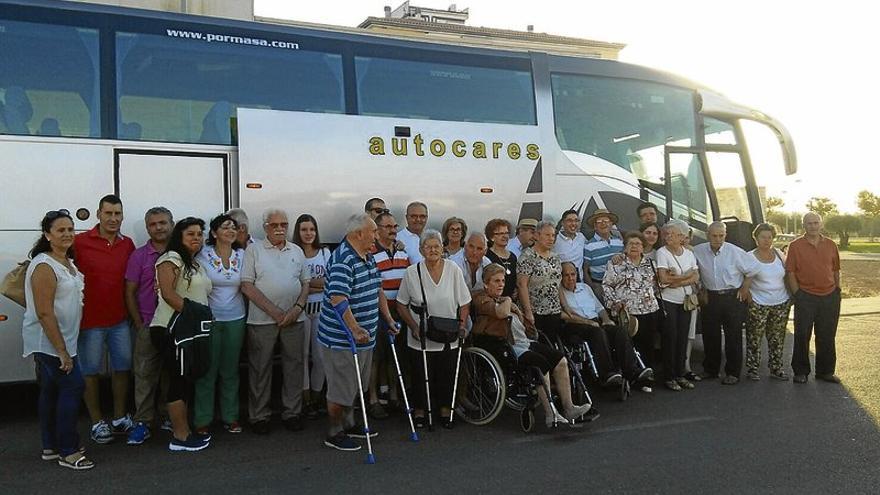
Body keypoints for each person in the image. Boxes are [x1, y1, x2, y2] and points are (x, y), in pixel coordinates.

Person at [472, 264, 591, 428]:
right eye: (496, 281)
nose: (501, 284)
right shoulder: (481, 298)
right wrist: (507, 300)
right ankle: (550, 413)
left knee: (560, 360)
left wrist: (521, 315)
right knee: (540, 364)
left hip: (525, 342)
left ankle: (569, 407)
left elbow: (524, 325)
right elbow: (501, 313)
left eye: (503, 281)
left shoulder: (504, 300)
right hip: (506, 347)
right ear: (486, 283)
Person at [318, 214, 399, 451]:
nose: (377, 235)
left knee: (356, 385)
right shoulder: (343, 259)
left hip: (366, 336)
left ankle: (350, 423)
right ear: (358, 234)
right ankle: (334, 431)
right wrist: (354, 328)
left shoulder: (367, 256)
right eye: (373, 231)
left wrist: (388, 319)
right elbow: (338, 298)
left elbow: (377, 289)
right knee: (340, 387)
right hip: (341, 339)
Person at [23, 209, 92, 469]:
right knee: (73, 387)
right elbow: (44, 311)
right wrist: (62, 350)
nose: (67, 234)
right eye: (60, 230)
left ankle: (50, 446)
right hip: (50, 342)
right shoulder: (44, 265)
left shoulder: (66, 261)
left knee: (51, 391)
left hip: (64, 340)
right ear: (47, 235)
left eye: (70, 229)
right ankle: (68, 451)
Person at [240, 208, 311, 434]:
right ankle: (259, 416)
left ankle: (292, 413)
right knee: (260, 368)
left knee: (294, 366)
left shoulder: (297, 250)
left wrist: (297, 308)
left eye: (283, 224)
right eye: (274, 225)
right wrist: (276, 312)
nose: (280, 229)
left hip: (295, 318)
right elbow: (247, 286)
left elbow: (306, 283)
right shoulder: (254, 250)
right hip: (262, 320)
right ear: (265, 228)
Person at [73, 194, 136, 444]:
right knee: (90, 373)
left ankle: (120, 417)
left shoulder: (127, 244)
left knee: (122, 369)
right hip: (89, 321)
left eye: (117, 214)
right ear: (98, 214)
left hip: (120, 319)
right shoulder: (79, 242)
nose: (113, 218)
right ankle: (98, 422)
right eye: (108, 213)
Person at [396, 229, 471, 429]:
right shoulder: (412, 272)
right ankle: (420, 410)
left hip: (448, 334)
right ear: (421, 250)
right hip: (420, 334)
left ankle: (445, 409)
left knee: (446, 373)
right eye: (428, 247)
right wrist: (412, 326)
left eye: (436, 246)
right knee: (420, 373)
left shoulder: (453, 269)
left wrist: (462, 325)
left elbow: (464, 302)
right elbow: (401, 304)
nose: (432, 250)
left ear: (442, 248)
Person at [151, 217, 213, 451]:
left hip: (191, 330)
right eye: (191, 234)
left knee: (186, 378)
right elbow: (167, 293)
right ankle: (180, 436)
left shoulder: (194, 263)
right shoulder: (170, 259)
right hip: (170, 327)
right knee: (177, 379)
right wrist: (194, 313)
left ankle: (184, 429)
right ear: (179, 236)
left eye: (199, 234)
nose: (196, 238)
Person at [193, 214, 247, 434]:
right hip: (210, 319)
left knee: (230, 370)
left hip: (236, 319)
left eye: (233, 227)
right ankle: (202, 419)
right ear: (214, 233)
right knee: (207, 370)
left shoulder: (242, 255)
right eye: (225, 227)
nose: (230, 230)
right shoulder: (202, 255)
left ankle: (231, 416)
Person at [125, 207, 174, 445]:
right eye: (153, 224)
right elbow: (130, 291)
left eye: (163, 222)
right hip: (149, 323)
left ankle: (168, 416)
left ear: (171, 224)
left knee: (171, 374)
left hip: (175, 325)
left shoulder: (181, 253)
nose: (159, 227)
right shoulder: (138, 256)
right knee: (144, 375)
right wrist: (138, 322)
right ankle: (142, 422)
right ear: (147, 228)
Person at [560, 262, 651, 387]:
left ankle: (633, 371)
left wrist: (606, 319)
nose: (570, 278)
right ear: (560, 277)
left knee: (619, 331)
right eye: (566, 275)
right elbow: (563, 316)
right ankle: (607, 373)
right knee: (598, 332)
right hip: (576, 324)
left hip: (596, 321)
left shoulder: (585, 288)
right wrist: (588, 322)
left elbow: (599, 308)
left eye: (573, 274)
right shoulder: (560, 292)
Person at [693, 221, 759, 385]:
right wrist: (701, 290)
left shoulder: (735, 252)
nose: (717, 239)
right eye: (714, 236)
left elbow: (752, 270)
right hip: (711, 298)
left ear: (725, 235)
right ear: (708, 235)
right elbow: (695, 272)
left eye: (721, 235)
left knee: (733, 336)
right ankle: (710, 369)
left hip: (732, 298)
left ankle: (733, 372)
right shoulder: (698, 251)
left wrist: (744, 288)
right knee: (710, 335)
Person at [786, 212, 842, 384]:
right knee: (802, 335)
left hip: (829, 296)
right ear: (804, 225)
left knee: (827, 335)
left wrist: (837, 290)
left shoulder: (831, 245)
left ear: (821, 224)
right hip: (806, 297)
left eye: (816, 222)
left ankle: (825, 372)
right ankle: (801, 372)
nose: (813, 226)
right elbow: (790, 272)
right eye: (809, 223)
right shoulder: (795, 246)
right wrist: (798, 294)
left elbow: (835, 269)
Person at [603, 231, 663, 384]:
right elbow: (607, 285)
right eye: (631, 244)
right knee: (629, 346)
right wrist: (615, 302)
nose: (634, 246)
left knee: (648, 344)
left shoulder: (651, 264)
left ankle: (647, 375)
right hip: (627, 313)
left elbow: (656, 286)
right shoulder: (616, 263)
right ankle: (632, 375)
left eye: (638, 244)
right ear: (625, 247)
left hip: (650, 310)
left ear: (643, 248)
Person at [366, 212, 410, 419]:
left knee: (396, 357)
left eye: (395, 226)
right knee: (376, 357)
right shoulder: (370, 253)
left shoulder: (403, 252)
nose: (393, 230)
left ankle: (394, 397)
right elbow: (373, 287)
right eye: (387, 227)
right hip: (377, 312)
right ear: (377, 230)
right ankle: (373, 400)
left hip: (399, 311)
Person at [739, 223, 791, 381]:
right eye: (763, 237)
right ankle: (752, 369)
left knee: (777, 337)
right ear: (756, 238)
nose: (767, 240)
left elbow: (787, 274)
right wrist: (749, 298)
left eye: (769, 237)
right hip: (758, 303)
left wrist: (790, 296)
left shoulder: (779, 254)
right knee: (754, 337)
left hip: (781, 302)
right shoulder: (748, 257)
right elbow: (742, 279)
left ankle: (776, 368)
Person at [293, 214, 332, 419]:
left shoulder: (325, 252)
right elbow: (293, 282)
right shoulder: (293, 253)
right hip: (300, 309)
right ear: (297, 232)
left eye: (312, 229)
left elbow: (330, 281)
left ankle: (317, 396)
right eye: (304, 229)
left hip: (322, 309)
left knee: (320, 356)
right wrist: (314, 282)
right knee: (301, 357)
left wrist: (307, 282)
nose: (308, 233)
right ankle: (305, 398)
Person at [654, 219, 700, 391]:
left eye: (671, 234)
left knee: (682, 337)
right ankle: (669, 376)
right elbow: (663, 279)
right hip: (668, 301)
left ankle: (680, 374)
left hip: (685, 301)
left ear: (681, 236)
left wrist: (678, 281)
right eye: (666, 234)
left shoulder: (688, 253)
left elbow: (696, 277)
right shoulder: (662, 253)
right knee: (670, 338)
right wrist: (685, 277)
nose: (667, 237)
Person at [583, 209, 624, 289]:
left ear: (611, 224)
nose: (603, 223)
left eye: (606, 220)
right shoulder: (589, 246)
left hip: (620, 285)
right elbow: (585, 270)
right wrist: (593, 288)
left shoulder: (619, 241)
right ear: (595, 226)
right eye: (599, 221)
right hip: (599, 285)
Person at [485, 218, 517, 297]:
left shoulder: (513, 256)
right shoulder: (487, 256)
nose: (505, 236)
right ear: (491, 237)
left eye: (506, 233)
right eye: (500, 233)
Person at [553, 209, 587, 282]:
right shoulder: (555, 239)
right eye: (569, 220)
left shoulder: (581, 237)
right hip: (561, 283)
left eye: (576, 220)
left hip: (579, 284)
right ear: (562, 223)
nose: (573, 223)